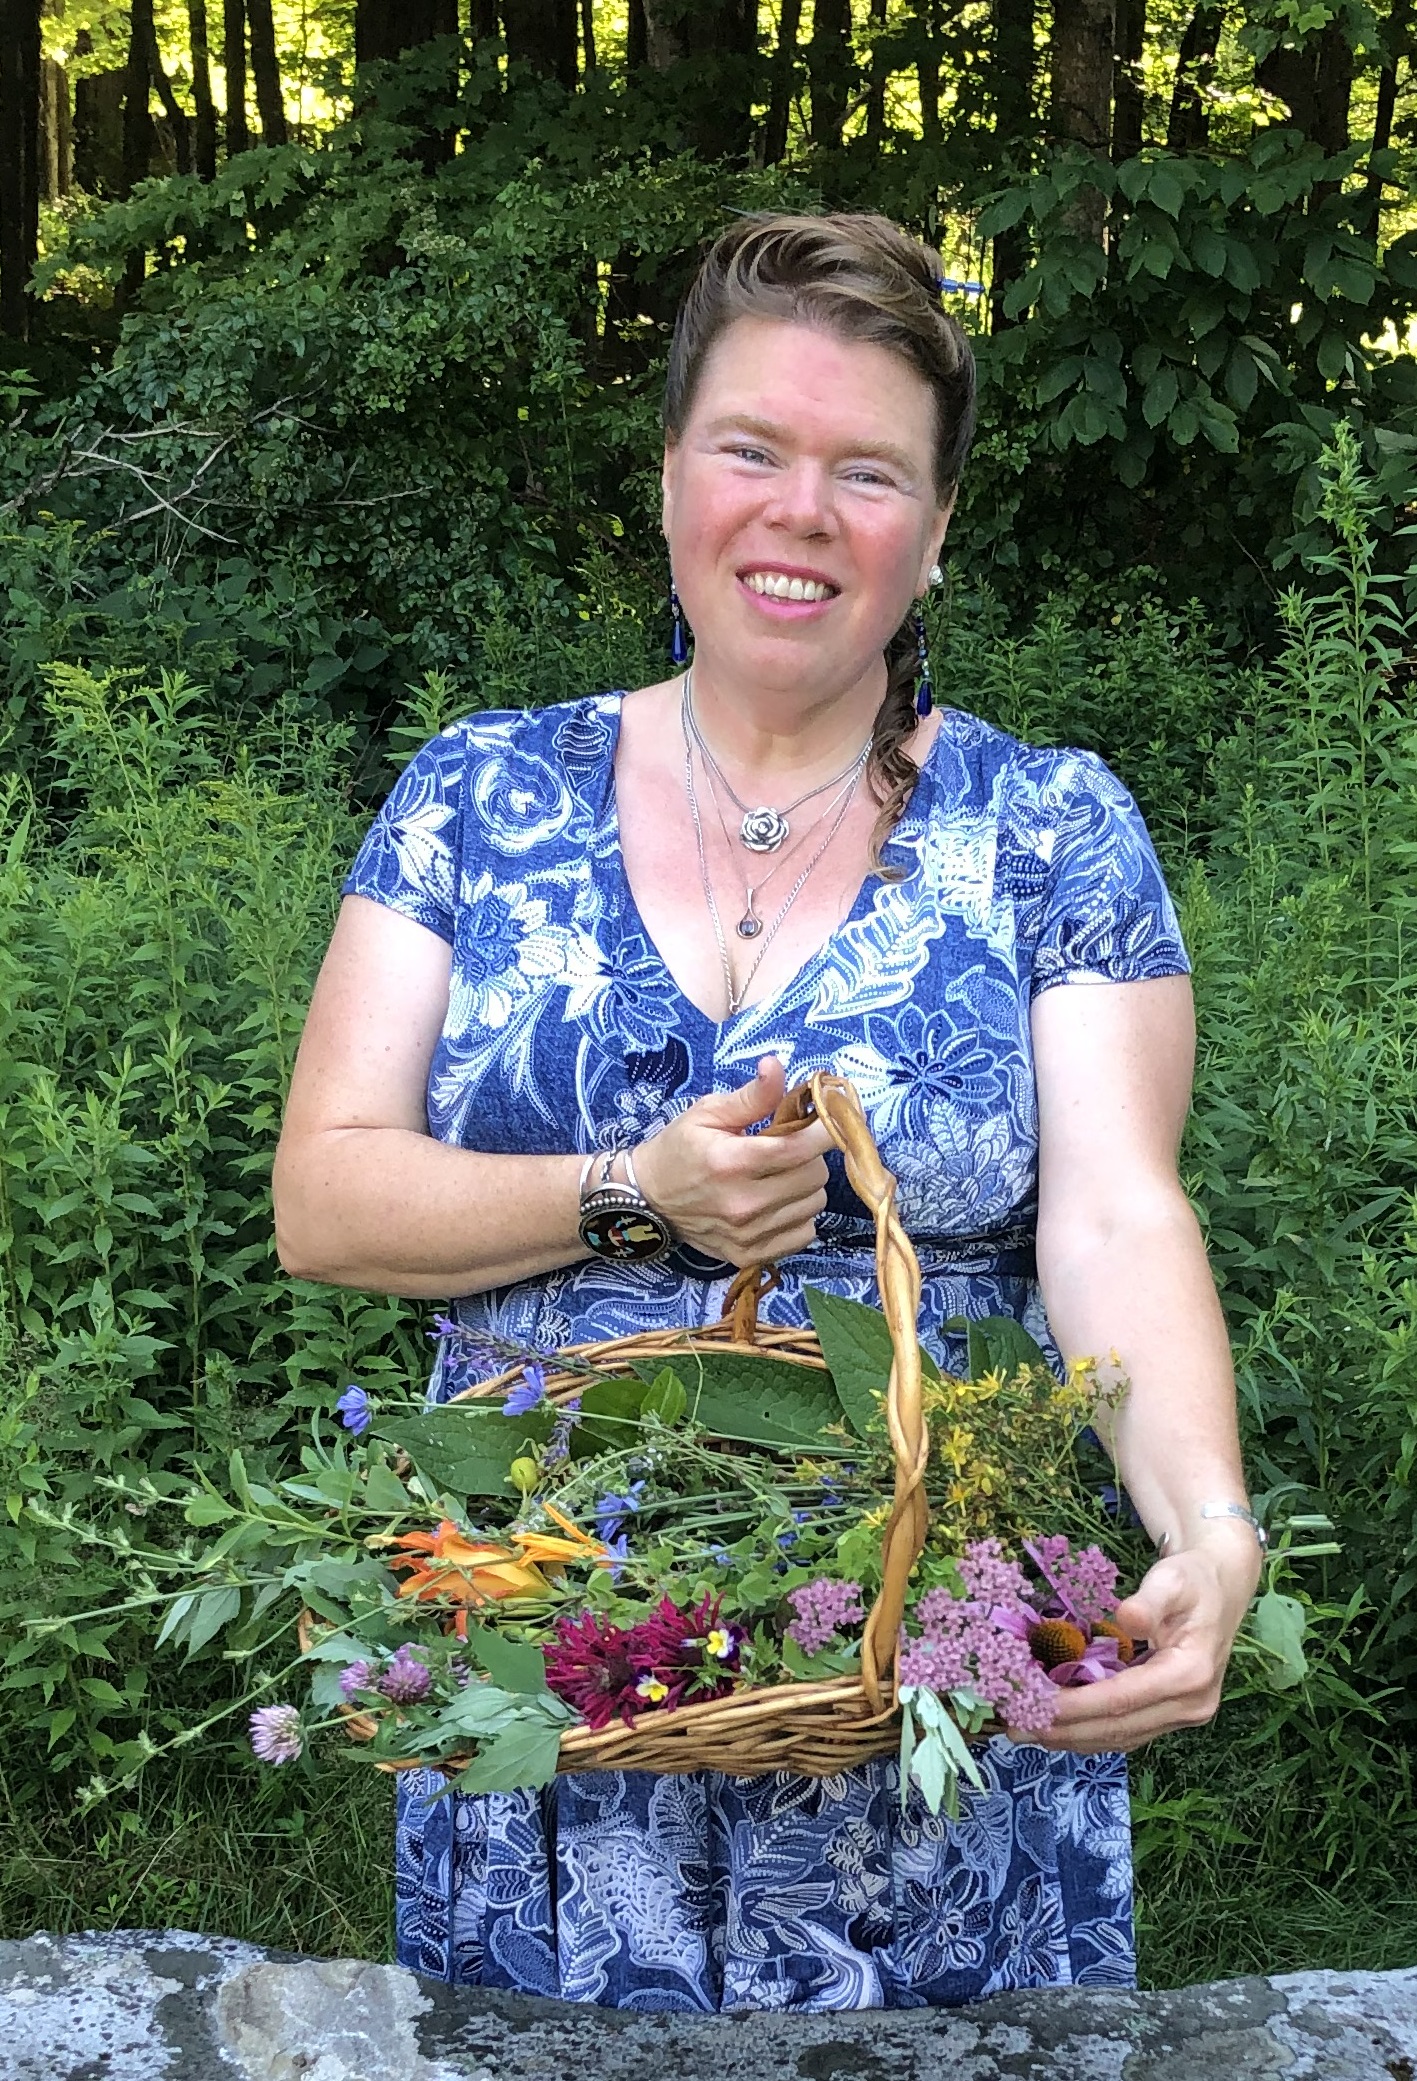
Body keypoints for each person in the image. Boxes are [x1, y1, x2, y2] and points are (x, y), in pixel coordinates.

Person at [272, 212, 1263, 2011]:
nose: (801, 511)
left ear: (935, 528)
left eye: (867, 471)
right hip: (555, 1669)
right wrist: (622, 1191)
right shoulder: (477, 795)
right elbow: (324, 1199)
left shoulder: (1051, 830)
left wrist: (1207, 1526)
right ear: (667, 477)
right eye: (751, 448)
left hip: (920, 1677)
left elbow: (1117, 1213)